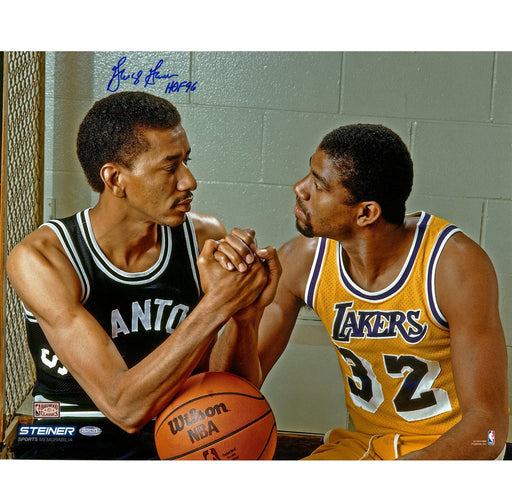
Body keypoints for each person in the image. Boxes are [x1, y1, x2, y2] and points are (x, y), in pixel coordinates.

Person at [7, 91, 279, 459]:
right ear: (115, 178)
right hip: (70, 431)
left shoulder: (201, 238)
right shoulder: (44, 257)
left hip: (177, 426)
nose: (189, 181)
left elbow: (232, 393)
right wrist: (217, 305)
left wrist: (244, 316)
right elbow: (123, 408)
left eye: (187, 161)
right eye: (170, 167)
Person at [212, 123, 509, 460]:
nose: (299, 188)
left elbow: (489, 430)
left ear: (366, 212)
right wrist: (240, 315)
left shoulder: (453, 264)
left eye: (319, 185)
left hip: (448, 459)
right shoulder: (304, 260)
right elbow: (228, 395)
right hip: (363, 450)